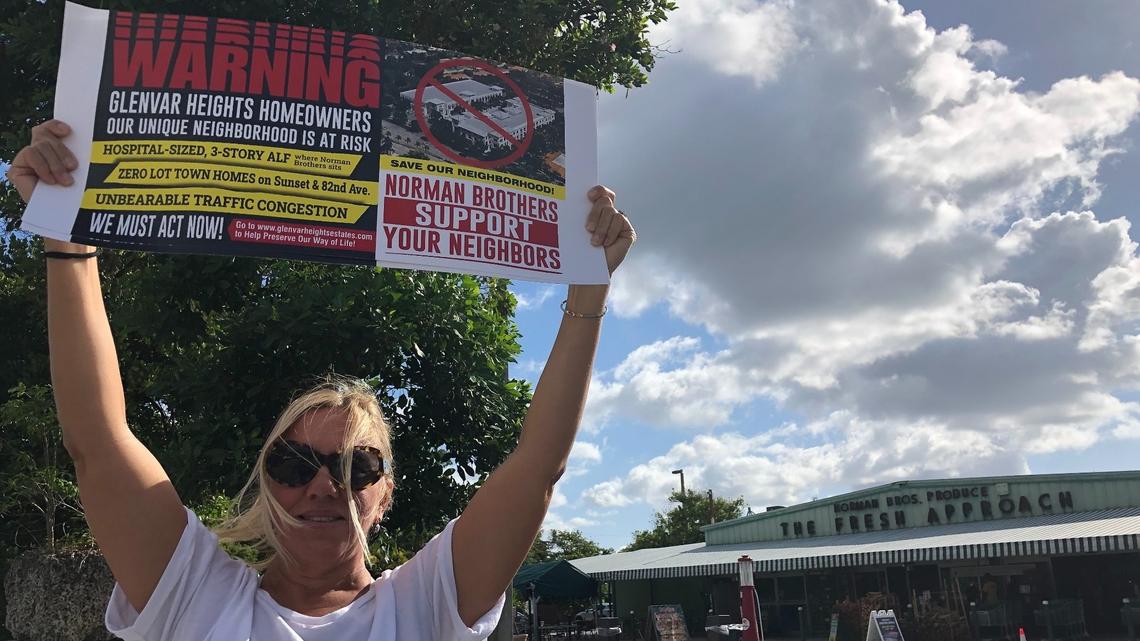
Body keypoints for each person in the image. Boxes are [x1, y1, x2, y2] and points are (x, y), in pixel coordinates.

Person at [7, 119, 636, 641]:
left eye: (357, 467)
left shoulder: (427, 605)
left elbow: (537, 465)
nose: (322, 486)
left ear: (385, 495)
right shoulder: (192, 592)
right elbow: (97, 441)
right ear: (264, 479)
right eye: (293, 463)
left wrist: (590, 289)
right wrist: (67, 242)